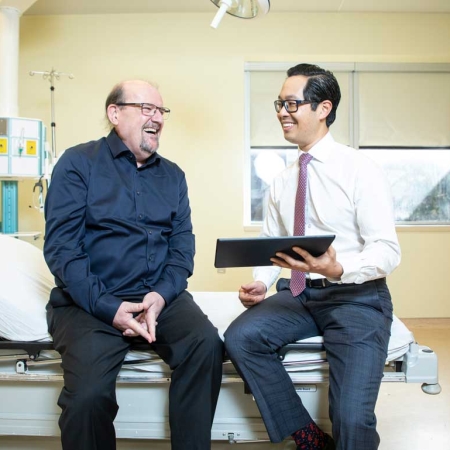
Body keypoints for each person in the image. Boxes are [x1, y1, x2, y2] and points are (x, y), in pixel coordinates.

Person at [224, 64, 401, 450]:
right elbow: (272, 243)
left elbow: (387, 249)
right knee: (241, 337)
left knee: (352, 420)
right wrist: (262, 281)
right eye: (279, 103)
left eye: (292, 103)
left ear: (323, 108)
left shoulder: (360, 170)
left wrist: (338, 267)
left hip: (357, 297)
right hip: (300, 294)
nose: (282, 112)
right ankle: (306, 435)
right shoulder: (283, 180)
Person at [43, 79, 224, 450]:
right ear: (115, 113)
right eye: (147, 109)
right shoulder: (78, 164)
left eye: (161, 111)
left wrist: (161, 295)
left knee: (206, 346)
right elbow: (62, 249)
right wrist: (109, 308)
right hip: (91, 301)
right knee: (88, 398)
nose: (157, 117)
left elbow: (182, 248)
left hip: (158, 297)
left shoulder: (173, 176)